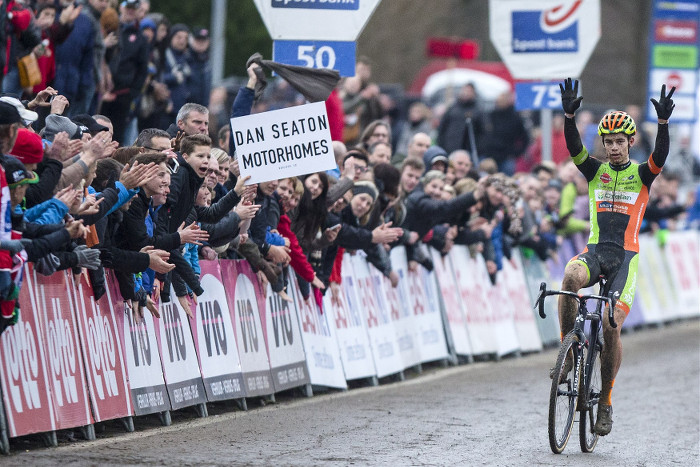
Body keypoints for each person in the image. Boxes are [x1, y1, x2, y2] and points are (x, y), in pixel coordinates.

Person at [556, 78, 676, 436]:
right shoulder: (595, 171)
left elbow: (661, 157)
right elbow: (575, 148)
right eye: (608, 142)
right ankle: (567, 353)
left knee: (610, 326)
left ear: (629, 142)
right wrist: (568, 115)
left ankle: (606, 401)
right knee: (568, 279)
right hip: (595, 252)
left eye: (619, 141)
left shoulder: (641, 174)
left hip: (625, 259)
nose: (613, 147)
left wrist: (664, 125)